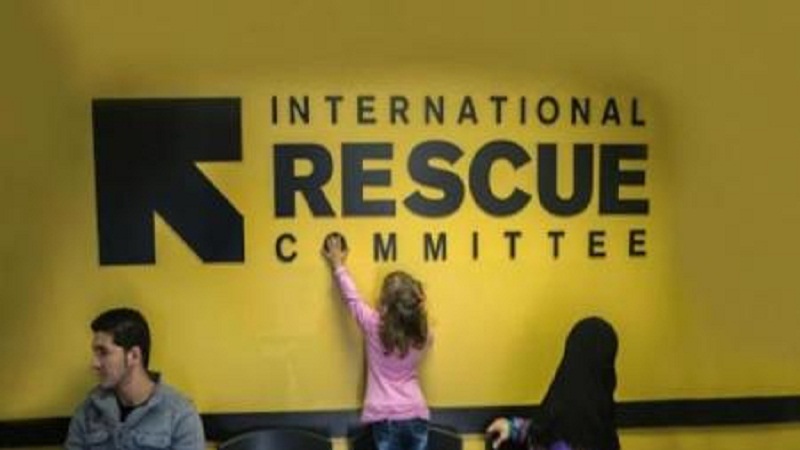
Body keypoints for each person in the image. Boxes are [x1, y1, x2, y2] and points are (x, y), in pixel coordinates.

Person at [322, 233, 432, 450]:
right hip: (417, 413)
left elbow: (352, 298)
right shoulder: (423, 333)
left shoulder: (374, 326)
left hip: (385, 417)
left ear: (384, 303)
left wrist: (338, 265)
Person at [65, 307, 205, 450]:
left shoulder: (180, 416)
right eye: (95, 353)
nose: (94, 364)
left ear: (134, 356)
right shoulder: (88, 412)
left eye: (103, 352)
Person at [486, 317, 620, 450]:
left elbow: (548, 432)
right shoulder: (601, 417)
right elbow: (547, 429)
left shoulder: (563, 403)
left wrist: (514, 429)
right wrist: (513, 428)